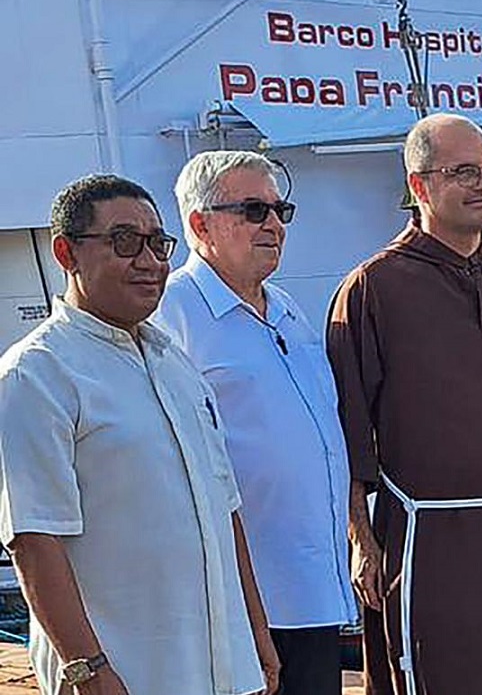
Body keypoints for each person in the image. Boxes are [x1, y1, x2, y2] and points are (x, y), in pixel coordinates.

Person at [326, 113, 482, 695]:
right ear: (418, 186)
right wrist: (361, 541)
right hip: (429, 542)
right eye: (463, 172)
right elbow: (348, 430)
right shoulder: (371, 289)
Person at [0, 175, 279, 695]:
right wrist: (87, 669)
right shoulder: (37, 374)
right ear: (67, 253)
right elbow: (34, 539)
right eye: (125, 242)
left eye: (157, 243)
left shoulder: (176, 364)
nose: (149, 262)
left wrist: (256, 635)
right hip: (126, 677)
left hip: (224, 673)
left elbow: (224, 511)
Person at [153, 151, 357, 695]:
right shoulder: (171, 315)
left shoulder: (286, 308)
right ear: (200, 225)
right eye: (253, 210)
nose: (273, 224)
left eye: (279, 210)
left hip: (312, 592)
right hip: (238, 604)